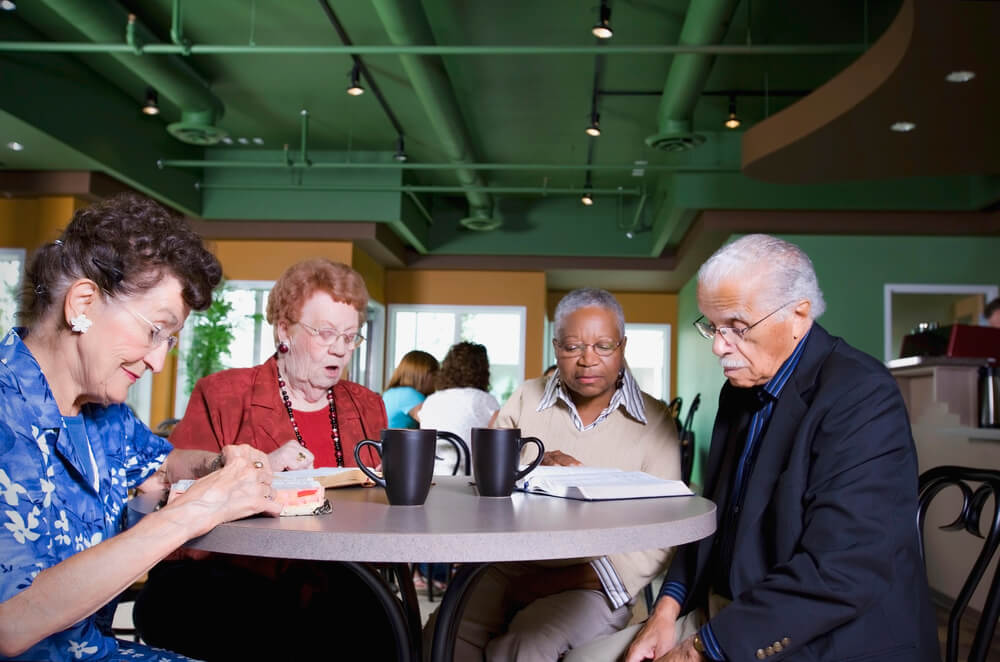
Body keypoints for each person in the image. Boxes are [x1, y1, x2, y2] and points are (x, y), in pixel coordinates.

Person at [567, 234, 939, 662]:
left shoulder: (862, 396)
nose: (718, 346)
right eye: (712, 326)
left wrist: (701, 650)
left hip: (818, 634)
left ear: (798, 316)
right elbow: (712, 516)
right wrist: (666, 608)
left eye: (737, 328)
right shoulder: (740, 391)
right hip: (725, 610)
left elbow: (841, 573)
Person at [0, 193, 282, 661]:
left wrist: (224, 464)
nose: (156, 360)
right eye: (155, 331)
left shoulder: (100, 411)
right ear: (83, 303)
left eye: (168, 341)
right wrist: (196, 510)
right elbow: (12, 621)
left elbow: (163, 464)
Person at [134, 258, 396, 661]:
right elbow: (177, 496)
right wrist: (257, 468)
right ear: (284, 331)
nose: (340, 348)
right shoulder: (223, 394)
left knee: (384, 627)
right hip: (231, 576)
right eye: (326, 333)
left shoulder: (366, 406)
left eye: (350, 336)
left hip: (335, 577)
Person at [424, 288, 682, 662]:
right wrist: (528, 467)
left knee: (525, 646)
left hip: (595, 581)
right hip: (508, 565)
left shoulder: (655, 420)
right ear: (556, 346)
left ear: (623, 346)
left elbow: (664, 533)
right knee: (440, 636)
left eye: (603, 346)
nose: (587, 360)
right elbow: (484, 484)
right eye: (573, 347)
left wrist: (558, 582)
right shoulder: (527, 397)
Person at [419, 341, 500, 474]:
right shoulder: (484, 400)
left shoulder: (430, 401)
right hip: (470, 480)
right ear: (483, 371)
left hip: (431, 479)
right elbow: (498, 445)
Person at [383, 349, 439, 428]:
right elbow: (435, 423)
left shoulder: (392, 392)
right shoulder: (410, 394)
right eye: (434, 374)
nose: (437, 378)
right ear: (422, 375)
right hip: (398, 440)